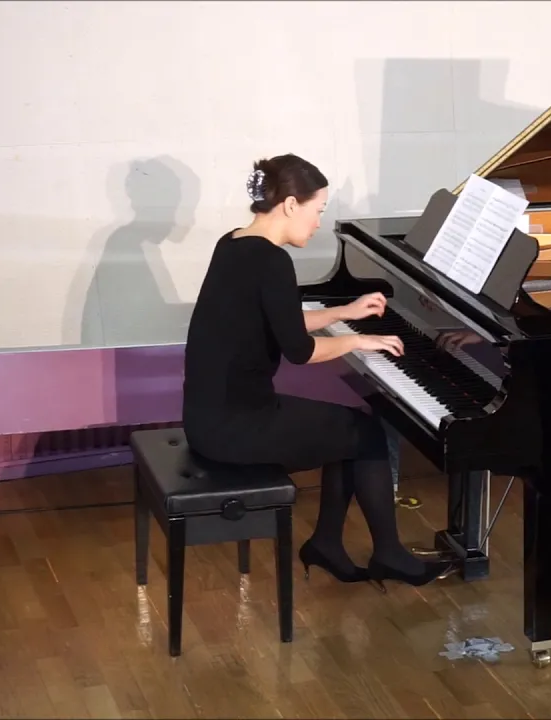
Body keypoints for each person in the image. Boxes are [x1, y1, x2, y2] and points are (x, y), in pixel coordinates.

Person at [181, 153, 449, 590]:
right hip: (237, 426)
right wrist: (359, 340)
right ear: (290, 205)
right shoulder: (272, 261)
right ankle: (389, 554)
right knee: (366, 434)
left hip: (209, 415)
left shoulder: (233, 243)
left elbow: (279, 321)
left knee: (347, 431)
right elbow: (300, 351)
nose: (319, 222)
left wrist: (345, 312)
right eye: (318, 210)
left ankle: (328, 544)